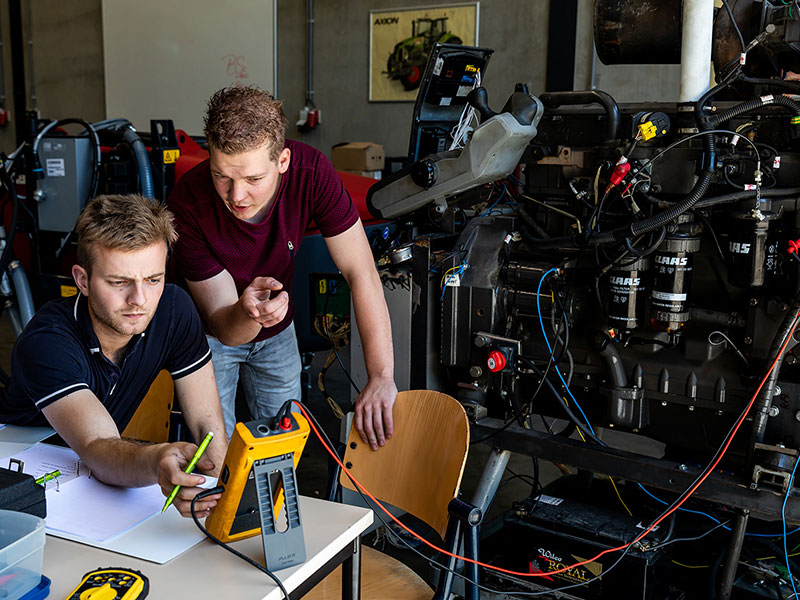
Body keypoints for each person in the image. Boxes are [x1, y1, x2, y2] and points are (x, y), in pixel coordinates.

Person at [167, 86, 396, 450]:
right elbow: (227, 328)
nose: (236, 196)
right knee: (214, 459)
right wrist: (248, 312)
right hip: (209, 335)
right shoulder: (187, 203)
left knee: (284, 449)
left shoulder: (312, 173)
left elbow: (361, 272)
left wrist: (381, 376)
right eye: (221, 176)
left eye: (254, 179)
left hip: (277, 331)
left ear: (283, 161)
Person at [0, 194, 227, 518]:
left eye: (153, 279)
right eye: (120, 282)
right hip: (19, 480)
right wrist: (156, 458)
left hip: (97, 477)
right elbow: (98, 446)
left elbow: (208, 424)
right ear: (83, 280)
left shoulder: (173, 309)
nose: (139, 299)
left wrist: (223, 500)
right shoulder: (47, 342)